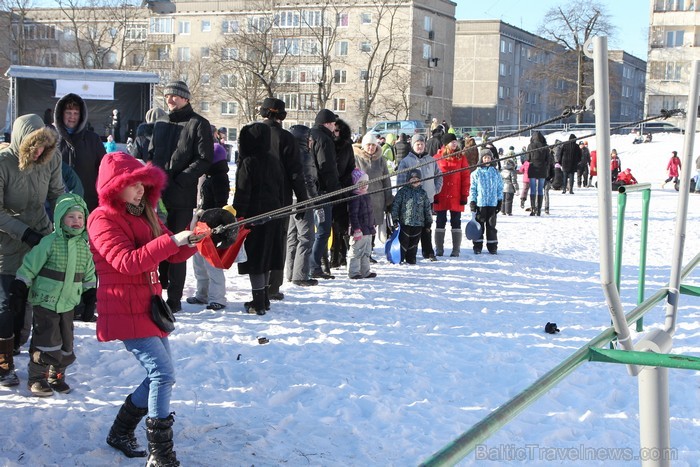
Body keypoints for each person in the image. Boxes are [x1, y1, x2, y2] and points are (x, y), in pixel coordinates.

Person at [87, 151, 205, 464]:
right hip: (123, 307)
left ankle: (120, 431)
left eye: (143, 182)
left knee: (160, 375)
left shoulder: (145, 214)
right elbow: (126, 263)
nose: (140, 188)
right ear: (114, 186)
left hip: (150, 306)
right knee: (162, 374)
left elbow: (173, 255)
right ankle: (161, 455)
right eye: (132, 183)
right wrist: (172, 241)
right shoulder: (101, 219)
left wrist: (193, 241)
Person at [0, 114, 63, 388]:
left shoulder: (50, 159)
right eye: (34, 147)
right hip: (7, 243)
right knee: (6, 305)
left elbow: (58, 193)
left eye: (44, 147)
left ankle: (40, 364)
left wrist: (70, 218)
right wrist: (23, 232)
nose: (39, 153)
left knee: (41, 304)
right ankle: (3, 362)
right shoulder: (4, 163)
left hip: (40, 236)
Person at [12, 193, 95, 396]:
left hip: (68, 303)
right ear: (60, 219)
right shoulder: (50, 242)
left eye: (80, 217)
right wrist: (21, 285)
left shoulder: (84, 248)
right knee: (46, 340)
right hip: (45, 301)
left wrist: (90, 295)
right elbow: (30, 264)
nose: (76, 221)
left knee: (66, 342)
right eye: (71, 217)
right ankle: (37, 377)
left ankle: (56, 375)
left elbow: (89, 274)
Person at [149, 80, 214, 311]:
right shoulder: (161, 123)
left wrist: (181, 179)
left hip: (181, 196)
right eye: (167, 96)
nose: (170, 100)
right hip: (157, 196)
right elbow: (151, 153)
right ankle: (157, 292)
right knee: (156, 245)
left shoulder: (199, 124)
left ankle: (174, 300)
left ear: (185, 98)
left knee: (177, 246)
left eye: (174, 96)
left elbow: (204, 159)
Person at [259, 98, 309, 302]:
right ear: (281, 115)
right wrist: (303, 199)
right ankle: (273, 285)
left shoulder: (251, 133)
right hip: (280, 196)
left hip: (257, 195)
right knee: (278, 240)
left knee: (260, 239)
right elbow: (296, 172)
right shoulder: (286, 138)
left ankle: (258, 283)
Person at [233, 122, 285, 315]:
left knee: (255, 259)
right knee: (267, 256)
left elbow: (243, 192)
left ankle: (258, 303)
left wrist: (238, 215)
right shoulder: (274, 160)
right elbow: (281, 189)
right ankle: (263, 298)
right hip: (274, 215)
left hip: (254, 216)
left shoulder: (248, 162)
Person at [186, 126, 230, 311]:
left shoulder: (219, 179)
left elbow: (220, 203)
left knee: (212, 263)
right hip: (201, 222)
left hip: (211, 224)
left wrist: (212, 220)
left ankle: (217, 297)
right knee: (198, 262)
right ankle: (202, 293)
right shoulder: (210, 177)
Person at [54, 92, 106, 212]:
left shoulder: (93, 139)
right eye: (68, 112)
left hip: (89, 202)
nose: (72, 117)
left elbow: (104, 169)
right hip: (59, 203)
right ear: (61, 114)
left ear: (81, 115)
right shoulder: (51, 138)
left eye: (76, 113)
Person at [396, 134, 442, 261]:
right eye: (417, 144)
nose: (420, 146)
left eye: (422, 144)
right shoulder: (406, 161)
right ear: (413, 145)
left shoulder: (431, 160)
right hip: (410, 201)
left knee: (427, 225)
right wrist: (401, 195)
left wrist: (435, 189)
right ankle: (407, 252)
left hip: (427, 199)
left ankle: (428, 251)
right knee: (410, 227)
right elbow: (400, 181)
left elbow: (439, 175)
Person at [309, 109, 341, 279]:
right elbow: (327, 167)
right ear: (327, 123)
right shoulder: (324, 139)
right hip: (322, 191)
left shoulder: (309, 135)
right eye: (333, 123)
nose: (335, 127)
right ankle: (313, 265)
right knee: (323, 230)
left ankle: (302, 266)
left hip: (306, 190)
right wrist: (335, 189)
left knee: (306, 232)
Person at [286, 125, 319, 287]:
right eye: (309, 138)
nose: (312, 141)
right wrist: (316, 200)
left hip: (290, 199)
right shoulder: (304, 156)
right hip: (302, 200)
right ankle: (300, 275)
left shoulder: (290, 154)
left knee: (292, 236)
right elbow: (308, 181)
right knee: (306, 237)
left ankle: (290, 272)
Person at [353, 132, 394, 262]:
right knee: (362, 225)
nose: (371, 148)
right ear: (364, 145)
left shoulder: (380, 160)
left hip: (377, 199)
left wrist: (388, 200)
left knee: (373, 226)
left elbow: (386, 180)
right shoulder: (356, 158)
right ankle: (361, 251)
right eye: (368, 145)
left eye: (373, 145)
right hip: (360, 198)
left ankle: (369, 250)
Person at [433, 133, 470, 256]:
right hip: (441, 195)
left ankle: (456, 249)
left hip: (456, 195)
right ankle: (439, 248)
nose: (454, 144)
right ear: (446, 144)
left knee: (456, 221)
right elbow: (433, 177)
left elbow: (465, 177)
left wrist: (464, 195)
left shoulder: (461, 158)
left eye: (455, 142)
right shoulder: (437, 158)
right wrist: (434, 194)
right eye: (452, 142)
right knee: (440, 221)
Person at [391, 169, 433, 265]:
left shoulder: (423, 193)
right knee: (404, 241)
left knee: (414, 242)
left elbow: (427, 208)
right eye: (412, 179)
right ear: (408, 180)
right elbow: (396, 205)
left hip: (419, 223)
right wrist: (395, 218)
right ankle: (400, 256)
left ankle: (411, 257)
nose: (415, 181)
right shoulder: (402, 192)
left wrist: (428, 222)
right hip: (405, 222)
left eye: (417, 179)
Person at [330, 118, 356, 270]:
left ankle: (340, 255)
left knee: (341, 226)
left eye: (338, 130)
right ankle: (329, 256)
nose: (336, 133)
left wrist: (344, 184)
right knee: (328, 226)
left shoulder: (347, 146)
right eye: (334, 130)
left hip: (344, 189)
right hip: (328, 189)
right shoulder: (326, 144)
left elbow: (351, 166)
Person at [469, 150, 504, 254]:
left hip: (492, 204)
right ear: (481, 159)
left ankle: (492, 246)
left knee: (491, 226)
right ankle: (477, 246)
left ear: (491, 159)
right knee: (479, 225)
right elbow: (473, 189)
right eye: (485, 158)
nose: (487, 159)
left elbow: (499, 187)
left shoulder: (495, 173)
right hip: (481, 204)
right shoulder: (476, 173)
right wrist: (473, 202)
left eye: (488, 157)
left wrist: (499, 200)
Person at [347, 169, 376, 279]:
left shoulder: (366, 195)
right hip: (359, 230)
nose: (363, 186)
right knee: (356, 251)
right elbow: (353, 215)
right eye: (360, 183)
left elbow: (370, 212)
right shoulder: (355, 198)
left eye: (365, 183)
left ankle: (365, 271)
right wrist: (356, 229)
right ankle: (354, 272)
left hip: (368, 229)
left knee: (366, 251)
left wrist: (372, 224)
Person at [527, 130, 551, 216]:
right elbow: (548, 159)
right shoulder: (545, 146)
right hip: (542, 168)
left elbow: (528, 158)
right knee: (540, 189)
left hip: (533, 168)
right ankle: (539, 210)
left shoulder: (530, 146)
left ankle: (533, 208)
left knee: (533, 189)